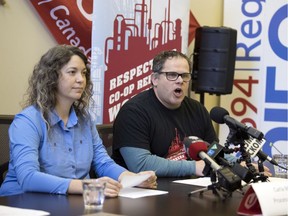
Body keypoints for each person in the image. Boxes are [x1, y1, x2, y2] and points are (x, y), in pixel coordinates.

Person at [0, 45, 156, 197]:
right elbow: (28, 178)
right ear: (51, 77)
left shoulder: (84, 120)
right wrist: (87, 186)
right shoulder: (27, 121)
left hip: (71, 202)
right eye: (72, 72)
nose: (81, 79)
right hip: (23, 203)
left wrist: (132, 178)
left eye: (84, 73)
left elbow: (103, 163)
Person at [112, 50, 272, 178]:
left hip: (187, 187)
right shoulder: (134, 112)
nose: (180, 80)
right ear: (155, 79)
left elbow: (213, 150)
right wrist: (194, 167)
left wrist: (239, 165)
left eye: (185, 76)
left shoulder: (197, 109)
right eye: (172, 75)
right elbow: (140, 164)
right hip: (145, 193)